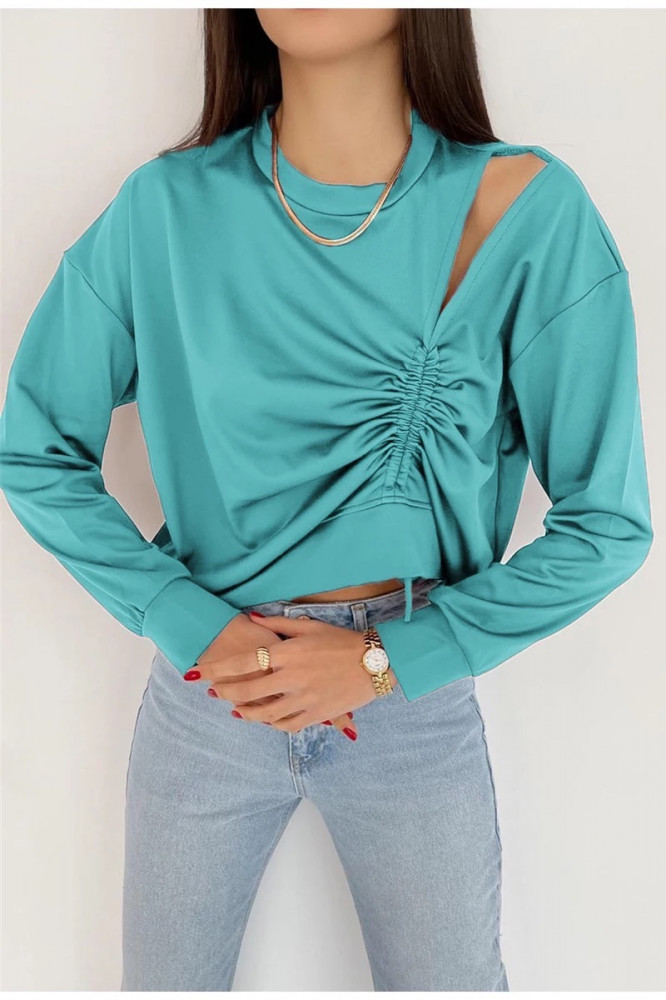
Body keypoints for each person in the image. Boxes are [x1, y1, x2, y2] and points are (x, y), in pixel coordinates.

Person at [0, 9, 653, 992]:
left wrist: (389, 660)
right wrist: (188, 625)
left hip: (410, 695)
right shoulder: (164, 211)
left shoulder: (529, 209)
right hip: (212, 692)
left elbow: (609, 525)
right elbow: (34, 447)